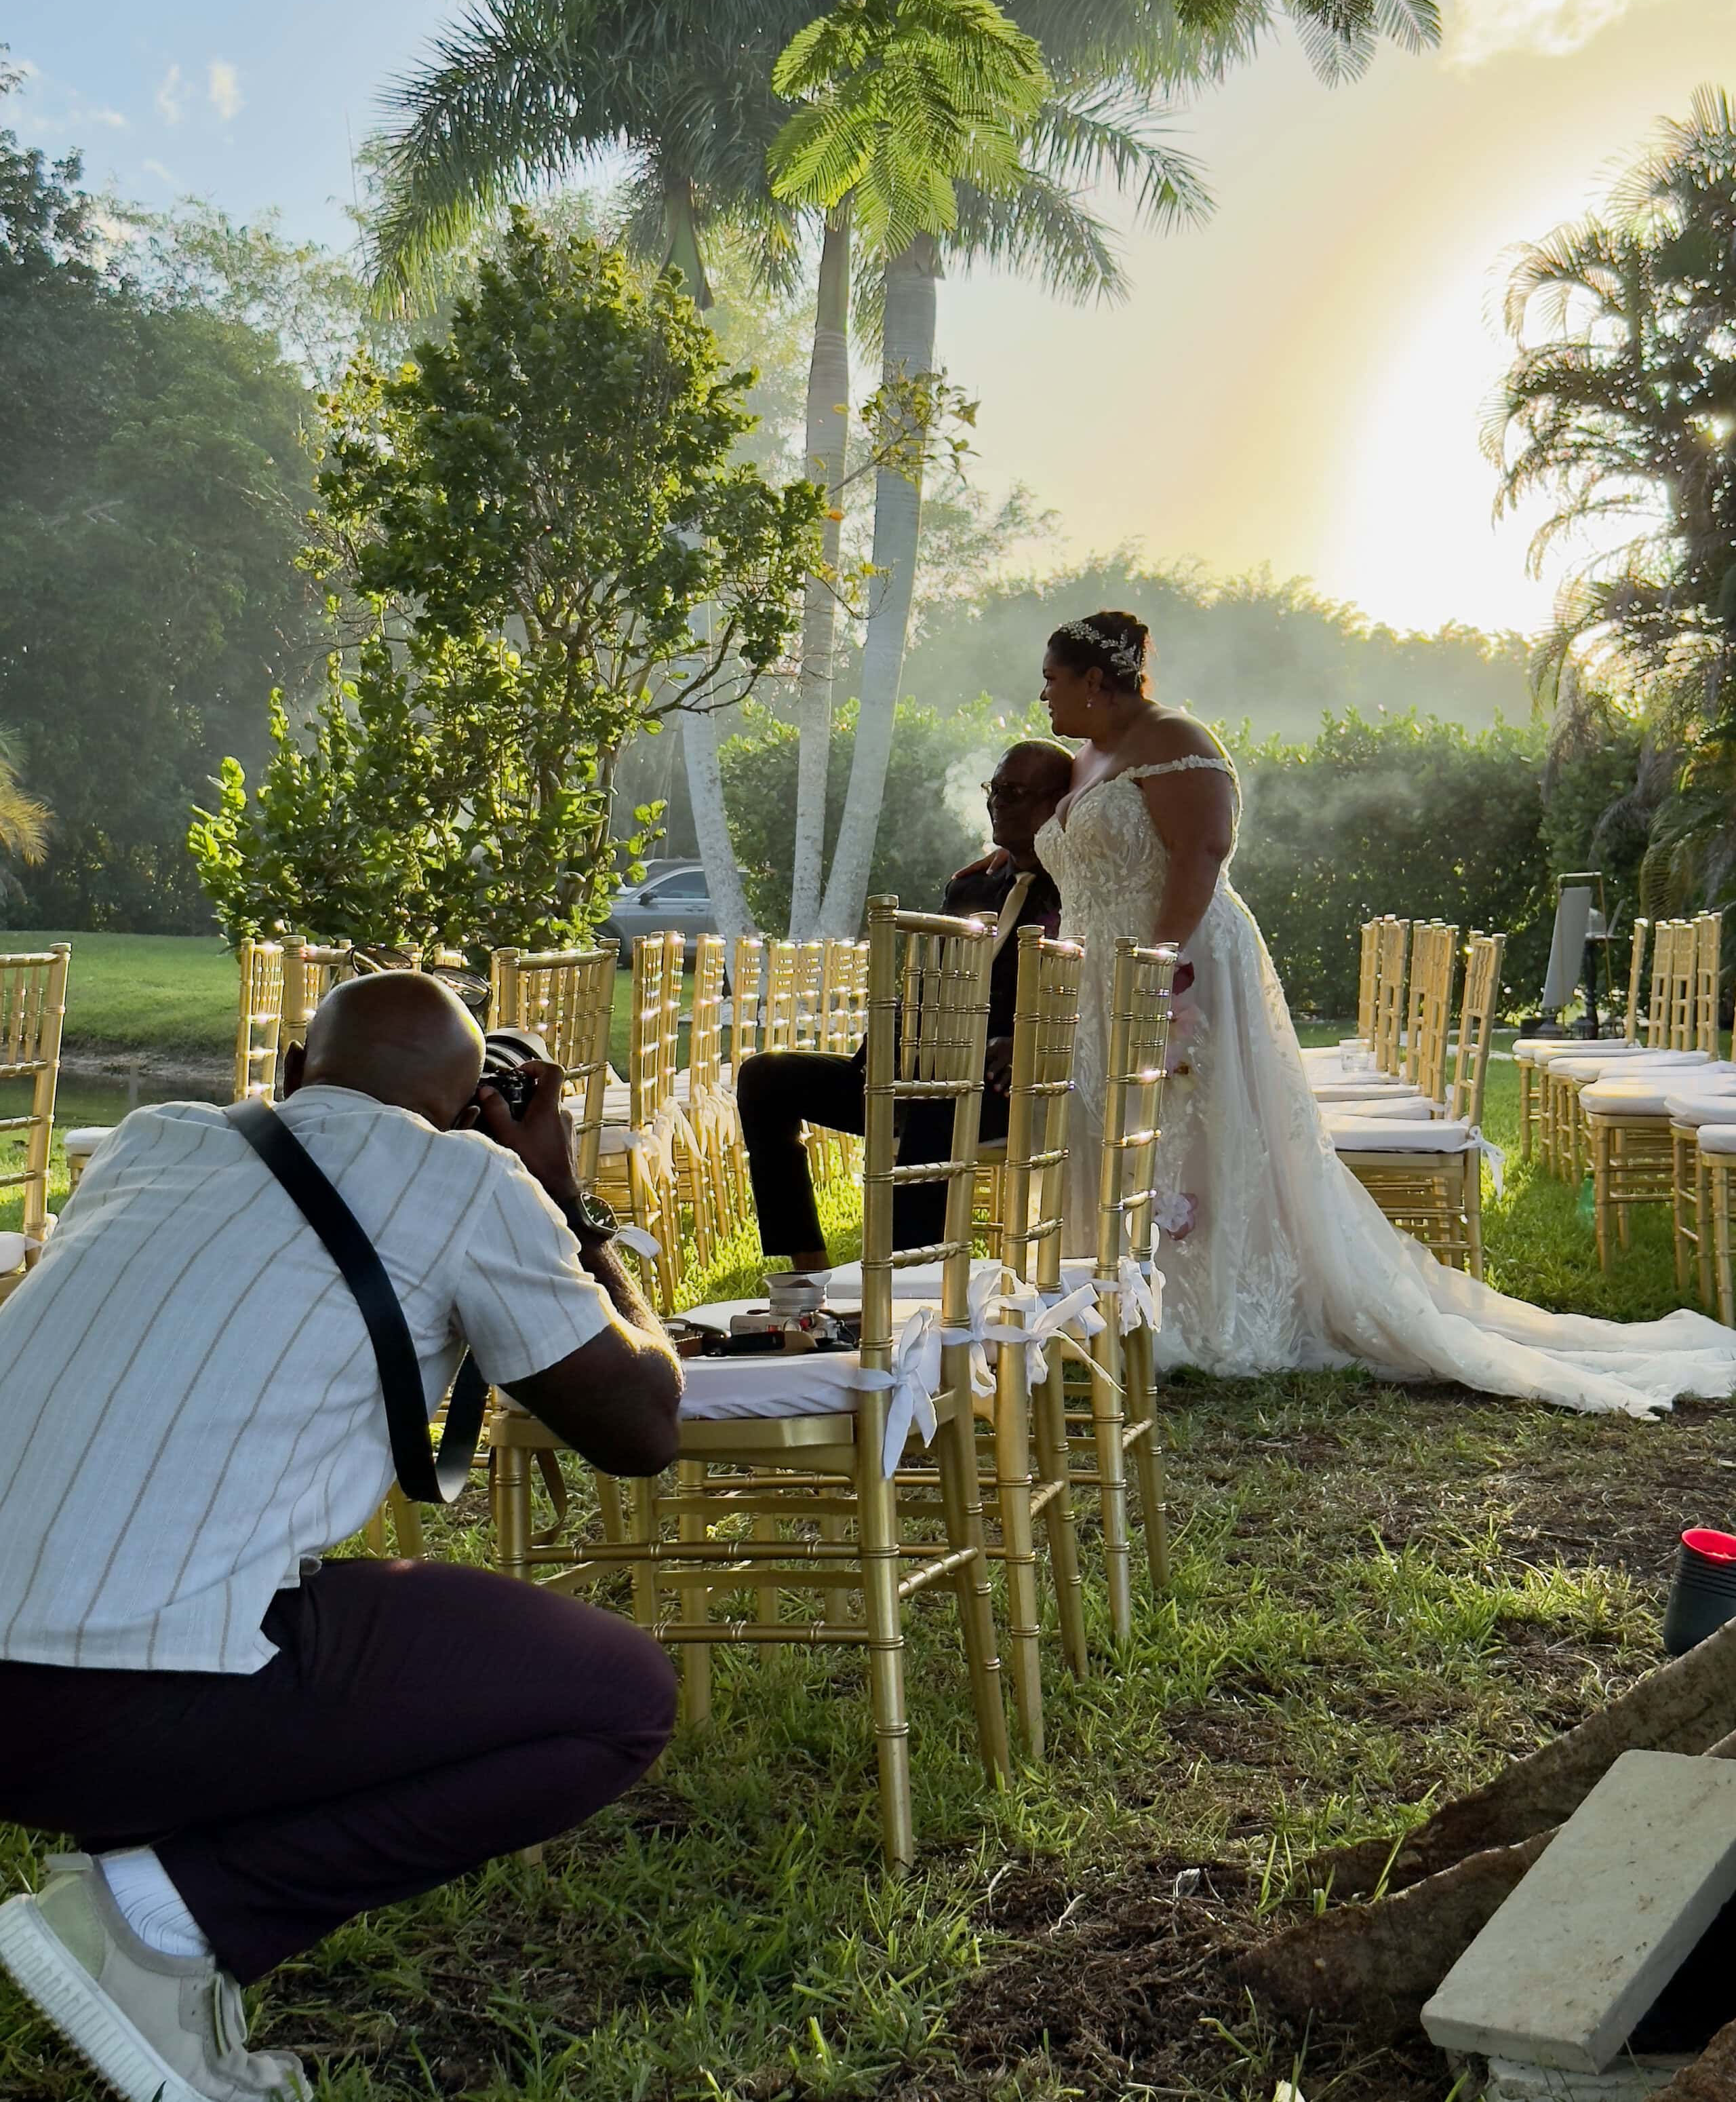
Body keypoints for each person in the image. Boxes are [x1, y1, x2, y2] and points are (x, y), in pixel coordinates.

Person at [0, 971, 684, 2102]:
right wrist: (563, 1198)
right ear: (473, 1113)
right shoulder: (467, 1180)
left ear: (288, 1075)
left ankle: (158, 1926)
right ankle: (157, 1923)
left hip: (42, 1702)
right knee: (616, 1695)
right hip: (106, 1699)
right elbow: (642, 1427)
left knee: (230, 1594)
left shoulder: (150, 1144)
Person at [1032, 608, 1736, 1415]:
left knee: (1191, 1126)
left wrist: (1156, 963)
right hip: (1094, 977)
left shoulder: (1173, 738)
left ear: (1096, 681)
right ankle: (1108, 1290)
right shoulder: (1086, 758)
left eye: (1051, 678)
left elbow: (1202, 850)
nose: (1041, 693)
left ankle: (1203, 1309)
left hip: (1177, 963)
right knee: (1108, 1123)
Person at [736, 739, 1070, 1302]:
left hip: (1008, 1081)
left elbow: (1083, 989)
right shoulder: (970, 886)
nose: (997, 804)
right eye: (994, 789)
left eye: (1014, 793)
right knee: (765, 1076)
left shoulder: (1077, 888)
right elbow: (931, 980)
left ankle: (906, 1291)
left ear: (1058, 805)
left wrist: (1026, 1038)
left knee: (940, 1095)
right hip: (915, 1063)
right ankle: (808, 1276)